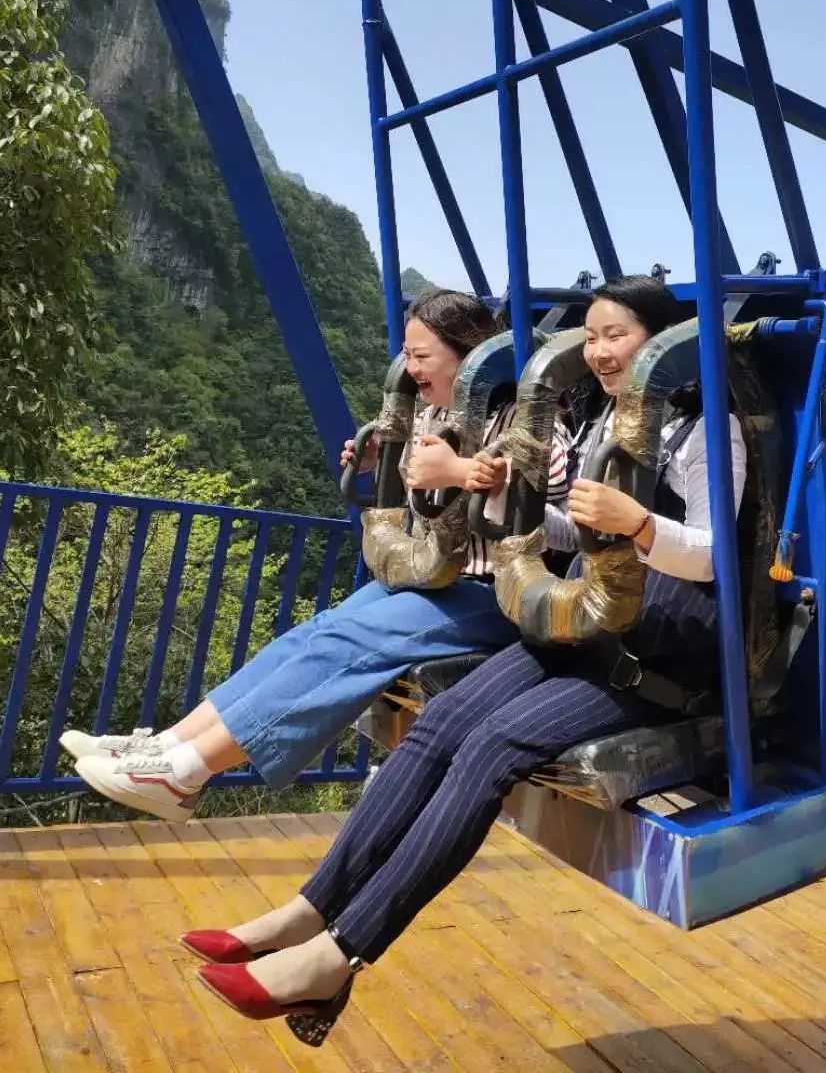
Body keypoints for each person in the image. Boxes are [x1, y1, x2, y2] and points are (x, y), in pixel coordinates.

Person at [186, 275, 747, 1046]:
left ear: (661, 343)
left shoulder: (700, 434)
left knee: (490, 747)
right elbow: (560, 532)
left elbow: (717, 557)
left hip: (661, 648)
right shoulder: (595, 429)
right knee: (440, 722)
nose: (600, 351)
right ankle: (308, 912)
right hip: (581, 621)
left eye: (616, 335)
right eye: (590, 337)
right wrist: (487, 497)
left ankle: (338, 953)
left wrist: (641, 525)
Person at [64, 290, 571, 823]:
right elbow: (426, 498)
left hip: (495, 595)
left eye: (423, 356)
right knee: (313, 635)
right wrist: (383, 461)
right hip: (433, 576)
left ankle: (187, 770)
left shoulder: (529, 422)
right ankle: (165, 746)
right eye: (408, 355)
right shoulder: (436, 414)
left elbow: (556, 522)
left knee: (344, 644)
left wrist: (465, 475)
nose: (412, 368)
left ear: (468, 355)